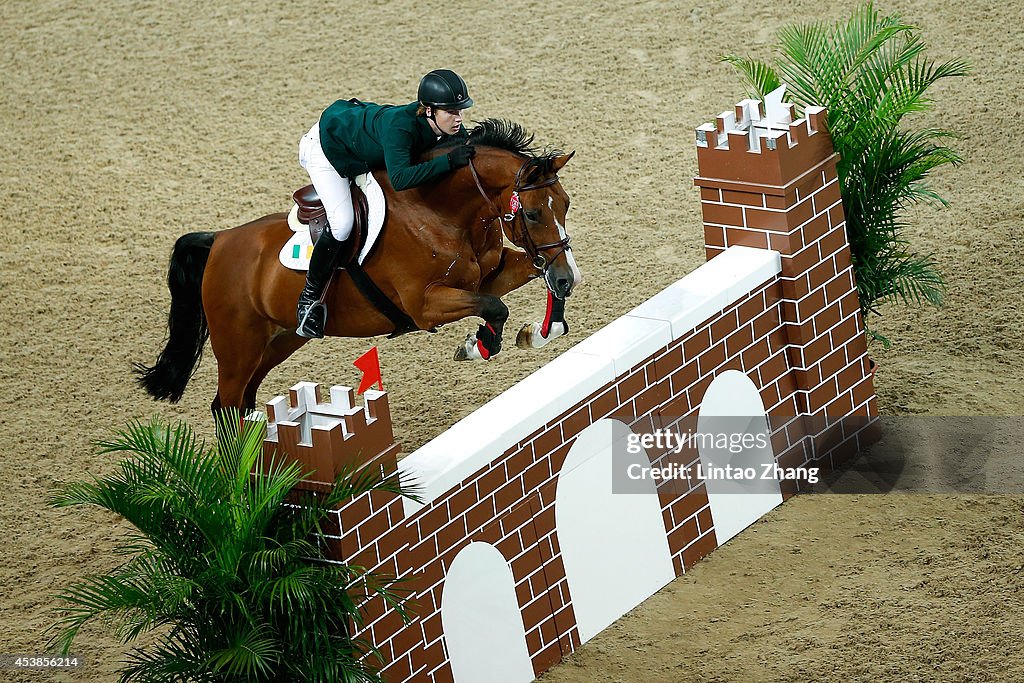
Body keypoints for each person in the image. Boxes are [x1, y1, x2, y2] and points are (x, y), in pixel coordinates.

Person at [295, 69, 478, 338]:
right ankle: (308, 300)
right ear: (428, 111)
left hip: (361, 146)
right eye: (451, 111)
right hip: (327, 150)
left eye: (460, 110)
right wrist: (449, 162)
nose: (458, 118)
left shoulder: (443, 125)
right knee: (343, 223)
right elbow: (401, 178)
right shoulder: (400, 128)